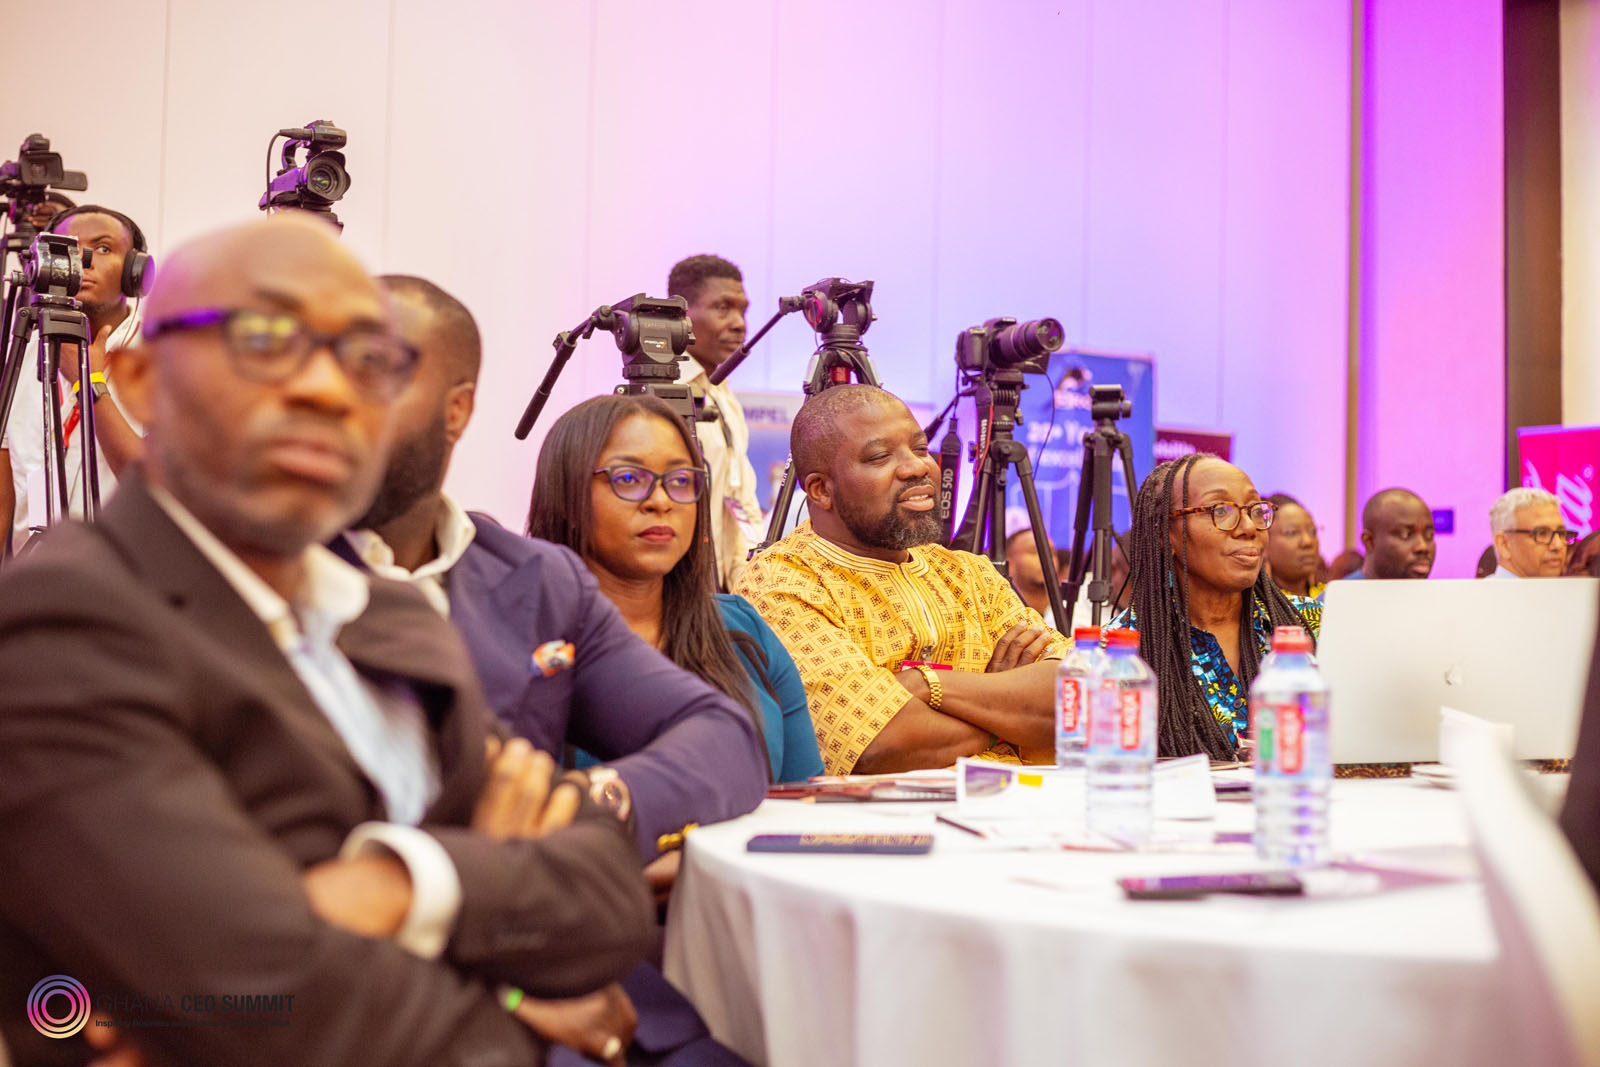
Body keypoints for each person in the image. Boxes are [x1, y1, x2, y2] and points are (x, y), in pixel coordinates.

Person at [0, 215, 653, 1067]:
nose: (325, 387)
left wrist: (398, 881)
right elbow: (263, 999)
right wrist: (514, 998)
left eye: (367, 358)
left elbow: (609, 895)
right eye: (265, 338)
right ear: (142, 380)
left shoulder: (392, 618)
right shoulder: (61, 626)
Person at [344, 274, 763, 1066]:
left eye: (380, 369)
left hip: (567, 958)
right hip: (376, 992)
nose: (337, 398)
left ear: (457, 409)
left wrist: (584, 803)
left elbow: (723, 735)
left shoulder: (536, 580)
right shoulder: (268, 577)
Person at [735, 385, 1069, 775]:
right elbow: (880, 743)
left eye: (920, 448)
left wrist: (925, 684)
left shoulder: (970, 574)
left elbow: (1080, 698)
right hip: (886, 814)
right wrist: (1007, 717)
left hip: (1024, 802)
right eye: (880, 456)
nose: (917, 467)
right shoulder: (782, 582)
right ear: (821, 490)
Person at [527, 392, 824, 785]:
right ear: (567, 492)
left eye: (681, 481)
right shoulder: (517, 641)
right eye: (629, 479)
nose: (661, 501)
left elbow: (807, 796)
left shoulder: (743, 629)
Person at [1116, 453, 1321, 760]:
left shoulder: (1310, 623)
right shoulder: (1123, 651)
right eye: (1220, 510)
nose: (1248, 527)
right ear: (1165, 534)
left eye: (1255, 510)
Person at [3, 204, 150, 551]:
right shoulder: (23, 349)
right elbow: (6, 482)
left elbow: (155, 487)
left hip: (119, 576)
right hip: (32, 572)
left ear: (135, 273)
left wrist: (88, 380)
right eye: (68, 247)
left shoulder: (161, 359)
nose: (83, 260)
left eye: (103, 248)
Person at [668, 254, 765, 590]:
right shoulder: (659, 393)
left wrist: (749, 586)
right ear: (681, 315)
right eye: (723, 308)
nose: (739, 324)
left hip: (725, 589)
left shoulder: (723, 393)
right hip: (678, 587)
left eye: (743, 310)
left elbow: (740, 499)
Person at [1486, 486, 1574, 579]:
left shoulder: (1575, 588)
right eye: (1542, 534)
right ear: (1504, 544)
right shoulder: (1481, 589)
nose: (1558, 545)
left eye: (1561, 533)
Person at [1347, 488, 1435, 579]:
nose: (1423, 547)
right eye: (1405, 535)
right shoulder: (1345, 588)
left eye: (1430, 535)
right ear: (1369, 541)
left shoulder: (1436, 588)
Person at [1265, 493, 1325, 599]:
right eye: (1292, 532)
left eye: (1313, 531)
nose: (1307, 542)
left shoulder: (1330, 598)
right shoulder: (1257, 605)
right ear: (1265, 542)